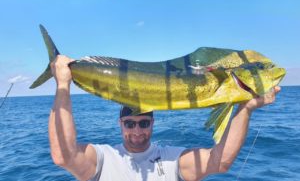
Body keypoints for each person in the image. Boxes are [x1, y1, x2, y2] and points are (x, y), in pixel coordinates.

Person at [49, 55, 281, 181]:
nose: (137, 130)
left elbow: (220, 162)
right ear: (120, 124)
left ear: (153, 123)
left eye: (144, 123)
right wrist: (62, 85)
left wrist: (245, 109)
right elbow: (62, 155)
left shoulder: (172, 159)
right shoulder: (102, 158)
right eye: (130, 124)